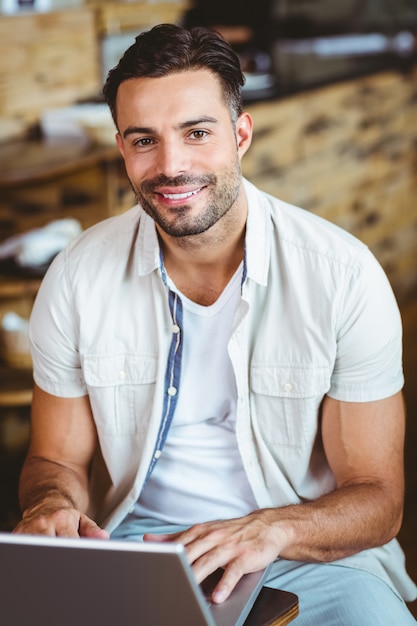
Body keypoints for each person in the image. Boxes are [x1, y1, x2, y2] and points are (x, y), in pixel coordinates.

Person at [14, 23, 417, 624]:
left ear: (240, 134)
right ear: (122, 148)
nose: (171, 166)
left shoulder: (343, 276)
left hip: (305, 548)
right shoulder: (75, 278)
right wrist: (51, 506)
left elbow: (378, 500)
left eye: (196, 133)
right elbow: (57, 461)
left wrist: (265, 531)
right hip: (135, 545)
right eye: (144, 140)